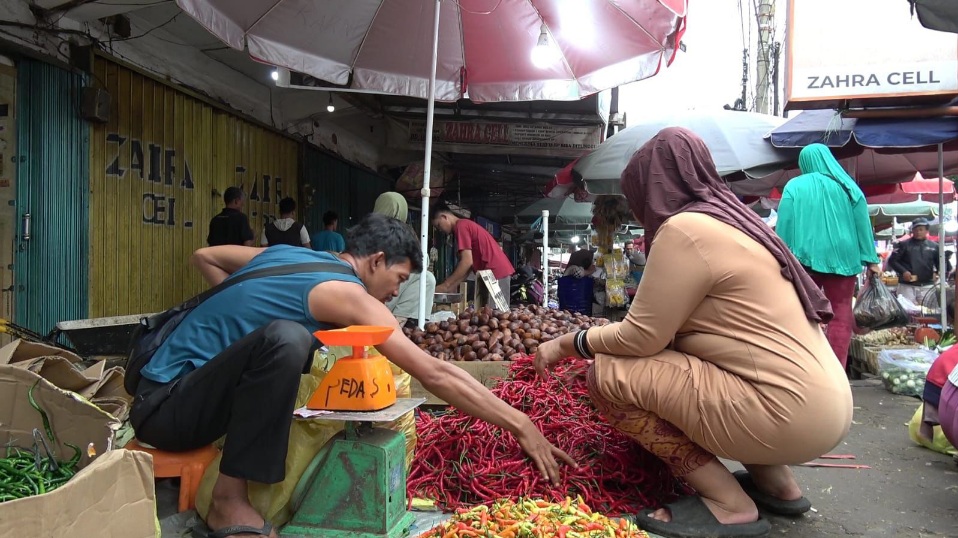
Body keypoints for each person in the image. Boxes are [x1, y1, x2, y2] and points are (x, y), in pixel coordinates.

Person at [130, 213, 574, 538]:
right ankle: (228, 501)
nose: (396, 292)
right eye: (398, 278)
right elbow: (436, 373)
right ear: (376, 260)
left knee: (286, 340)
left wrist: (237, 331)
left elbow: (205, 256)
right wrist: (520, 423)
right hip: (168, 411)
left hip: (167, 391)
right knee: (287, 339)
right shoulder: (349, 294)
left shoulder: (290, 255)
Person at [534, 128, 851, 538]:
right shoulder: (736, 224)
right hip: (822, 407)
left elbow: (641, 338)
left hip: (783, 413)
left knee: (609, 375)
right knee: (703, 367)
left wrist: (568, 343)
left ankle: (728, 503)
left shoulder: (685, 229)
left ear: (650, 188)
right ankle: (778, 485)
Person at [775, 143, 881, 370]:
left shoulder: (794, 186)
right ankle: (837, 371)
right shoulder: (848, 186)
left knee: (802, 312)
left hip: (804, 258)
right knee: (841, 312)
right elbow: (862, 225)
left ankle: (805, 368)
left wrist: (781, 255)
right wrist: (871, 260)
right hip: (844, 257)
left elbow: (785, 223)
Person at [372, 192, 437, 326]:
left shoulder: (368, 232)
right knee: (426, 279)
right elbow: (421, 262)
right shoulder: (385, 235)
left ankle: (398, 325)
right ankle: (396, 326)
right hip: (371, 301)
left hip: (371, 298)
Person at [433, 203, 515, 296]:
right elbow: (468, 267)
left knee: (495, 306)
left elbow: (467, 261)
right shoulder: (465, 225)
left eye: (438, 225)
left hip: (495, 273)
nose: (440, 230)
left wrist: (446, 285)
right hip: (495, 273)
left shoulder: (461, 226)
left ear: (444, 217)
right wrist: (451, 287)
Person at [888, 218, 940, 306]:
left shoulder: (935, 246)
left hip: (927, 285)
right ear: (912, 230)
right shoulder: (903, 244)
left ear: (926, 230)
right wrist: (903, 271)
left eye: (921, 229)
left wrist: (937, 272)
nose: (918, 232)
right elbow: (892, 261)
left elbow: (940, 263)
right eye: (915, 229)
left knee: (928, 311)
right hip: (906, 285)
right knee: (906, 310)